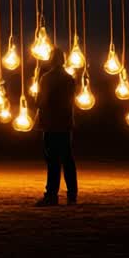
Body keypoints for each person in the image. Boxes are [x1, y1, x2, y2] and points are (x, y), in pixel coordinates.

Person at [34, 48, 78, 206]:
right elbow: (72, 100)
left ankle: (51, 195)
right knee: (68, 160)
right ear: (64, 60)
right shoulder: (69, 79)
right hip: (65, 124)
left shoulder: (46, 79)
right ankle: (72, 195)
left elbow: (40, 102)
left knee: (53, 161)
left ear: (51, 60)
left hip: (51, 124)